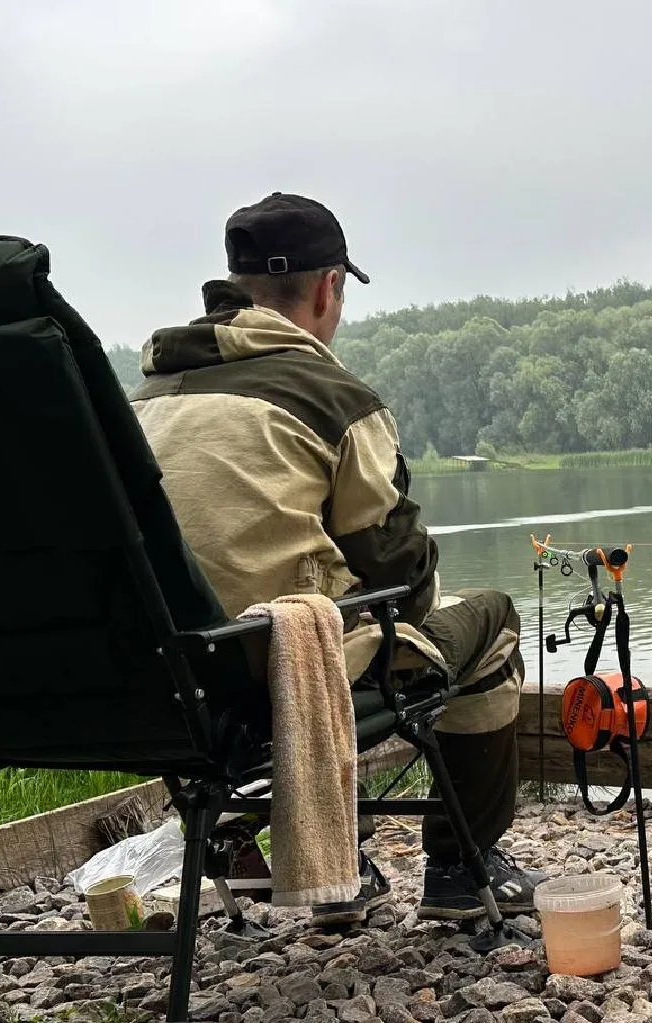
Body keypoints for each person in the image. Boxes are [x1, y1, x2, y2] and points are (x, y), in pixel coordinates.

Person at [129, 192, 543, 927]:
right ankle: (460, 869)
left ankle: (326, 858)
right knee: (489, 623)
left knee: (311, 609)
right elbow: (404, 582)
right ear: (327, 289)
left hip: (158, 684)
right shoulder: (333, 397)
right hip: (271, 683)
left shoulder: (143, 402)